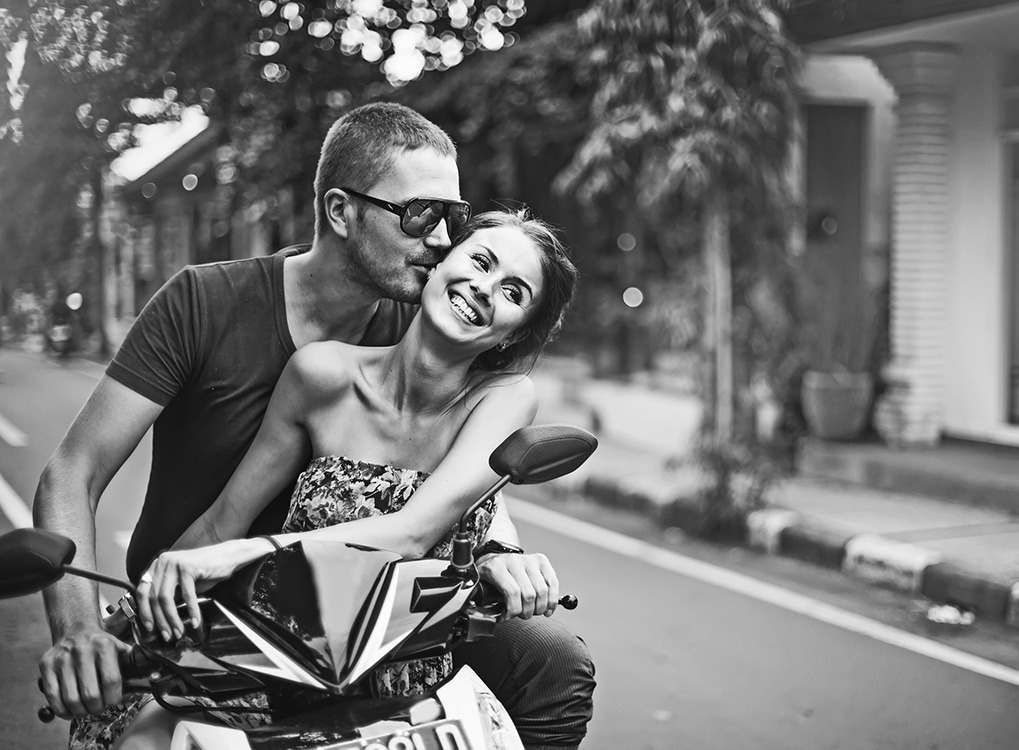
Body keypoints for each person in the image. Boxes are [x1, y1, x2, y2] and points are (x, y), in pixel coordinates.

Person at [33, 102, 595, 750]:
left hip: (375, 630)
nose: (442, 241)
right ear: (340, 211)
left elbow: (459, 490)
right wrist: (89, 629)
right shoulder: (223, 313)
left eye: (453, 220)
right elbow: (77, 472)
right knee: (135, 736)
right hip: (221, 610)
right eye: (420, 216)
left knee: (554, 659)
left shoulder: (431, 330)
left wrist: (500, 554)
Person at [110, 208, 578, 748]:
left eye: (514, 292)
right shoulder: (320, 373)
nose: (484, 288)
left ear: (511, 337)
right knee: (143, 739)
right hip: (274, 650)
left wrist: (502, 551)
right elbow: (222, 525)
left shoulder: (503, 399)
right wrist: (135, 612)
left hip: (400, 687)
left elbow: (414, 532)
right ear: (441, 261)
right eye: (480, 260)